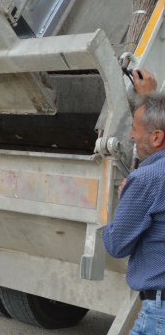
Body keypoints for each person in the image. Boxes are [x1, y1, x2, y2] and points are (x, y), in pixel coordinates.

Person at [103, 70, 165, 335]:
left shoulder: (146, 180)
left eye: (134, 129)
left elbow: (117, 245)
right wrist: (148, 96)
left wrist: (123, 203)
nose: (130, 136)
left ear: (156, 138)